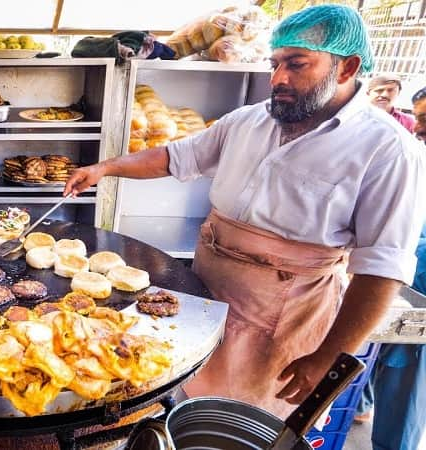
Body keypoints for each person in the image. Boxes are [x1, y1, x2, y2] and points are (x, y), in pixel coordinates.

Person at [64, 4, 426, 418]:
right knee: (182, 401)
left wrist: (329, 357)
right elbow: (174, 157)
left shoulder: (388, 151)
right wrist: (104, 168)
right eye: (274, 64)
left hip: (284, 318)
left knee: (245, 423)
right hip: (206, 295)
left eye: (296, 64)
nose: (277, 79)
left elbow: (382, 271)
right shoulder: (250, 121)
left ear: (346, 68)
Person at [365, 87, 426, 450]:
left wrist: (397, 252)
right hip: (400, 279)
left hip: (416, 288)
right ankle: (362, 405)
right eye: (419, 117)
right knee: (379, 358)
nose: (419, 126)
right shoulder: (415, 156)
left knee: (405, 380)